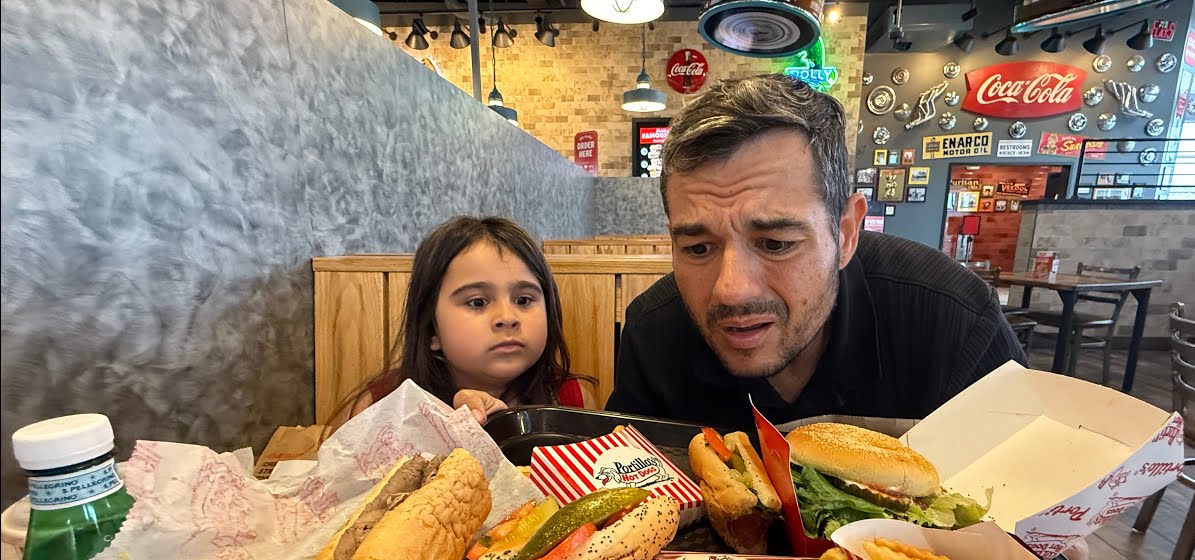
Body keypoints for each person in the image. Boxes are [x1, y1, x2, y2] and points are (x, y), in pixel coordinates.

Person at [605, 74, 1026, 431]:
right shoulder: (653, 334)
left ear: (844, 233)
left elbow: (1022, 503)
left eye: (776, 244)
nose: (731, 291)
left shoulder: (953, 322)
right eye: (698, 248)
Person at [334, 216, 592, 427]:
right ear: (432, 329)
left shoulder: (573, 401)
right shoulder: (377, 407)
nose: (507, 318)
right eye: (477, 302)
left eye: (523, 300)